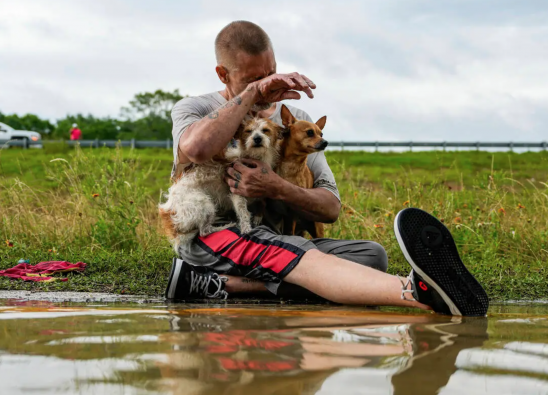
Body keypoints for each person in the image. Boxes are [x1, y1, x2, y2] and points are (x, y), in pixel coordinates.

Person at [165, 21, 488, 317]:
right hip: (213, 233)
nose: (267, 86)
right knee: (298, 250)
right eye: (253, 80)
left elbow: (329, 209)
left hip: (276, 240)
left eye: (270, 74)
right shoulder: (194, 108)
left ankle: (219, 285)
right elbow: (196, 149)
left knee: (370, 256)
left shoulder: (297, 121)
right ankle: (417, 292)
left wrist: (276, 187)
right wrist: (251, 96)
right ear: (223, 74)